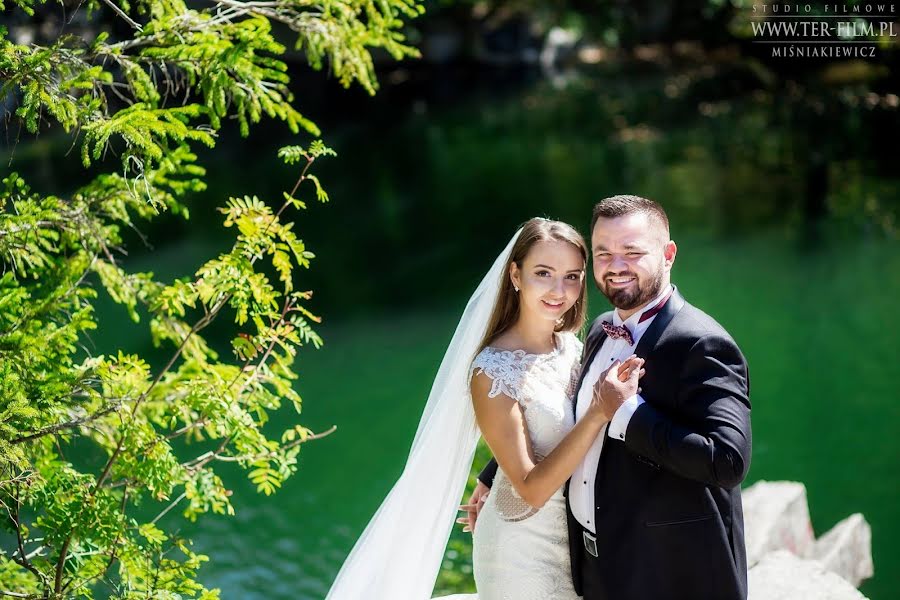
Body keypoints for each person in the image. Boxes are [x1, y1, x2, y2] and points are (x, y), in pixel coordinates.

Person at [324, 217, 642, 600]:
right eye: (544, 273)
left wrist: (491, 474)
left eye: (572, 276)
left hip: (576, 542)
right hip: (521, 551)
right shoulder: (491, 371)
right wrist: (597, 412)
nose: (560, 290)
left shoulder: (572, 348)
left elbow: (547, 429)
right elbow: (530, 489)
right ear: (515, 275)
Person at [466, 196, 752, 600]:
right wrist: (497, 473)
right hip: (590, 562)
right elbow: (556, 408)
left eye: (632, 252)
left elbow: (727, 461)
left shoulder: (701, 342)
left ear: (668, 254)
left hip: (665, 568)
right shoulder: (599, 330)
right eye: (604, 253)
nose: (617, 266)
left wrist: (627, 414)